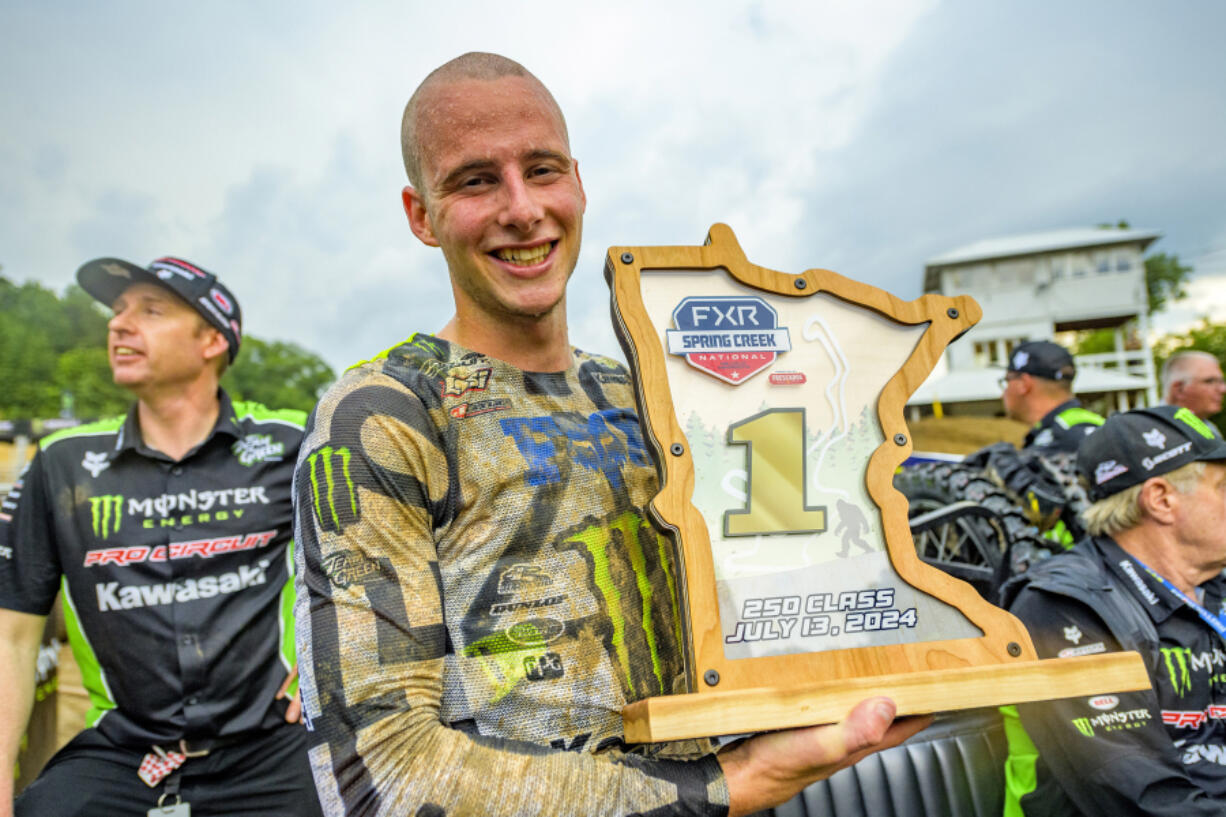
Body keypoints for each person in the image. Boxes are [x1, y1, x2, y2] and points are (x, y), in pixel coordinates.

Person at [292, 52, 927, 817]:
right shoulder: (386, 416)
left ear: (580, 182)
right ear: (420, 214)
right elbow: (382, 773)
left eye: (543, 169)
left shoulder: (655, 398)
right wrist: (732, 786)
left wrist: (881, 653)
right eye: (475, 179)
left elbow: (765, 607)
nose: (523, 209)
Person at [0, 256, 323, 816]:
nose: (118, 325)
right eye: (118, 311)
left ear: (212, 341)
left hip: (273, 748)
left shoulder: (293, 442)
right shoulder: (62, 463)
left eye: (150, 311)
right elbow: (12, 638)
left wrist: (330, 664)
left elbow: (384, 561)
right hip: (123, 755)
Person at [999, 404, 1226, 815]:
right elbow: (1138, 796)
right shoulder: (1065, 607)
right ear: (1160, 499)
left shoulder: (1213, 585)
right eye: (1224, 486)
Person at [999, 340, 1104, 453]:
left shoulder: (1065, 437)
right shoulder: (1071, 428)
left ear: (1024, 384)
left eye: (1007, 381)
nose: (1002, 395)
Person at [1161, 350, 1225, 436]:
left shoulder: (1208, 427)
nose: (1223, 389)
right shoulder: (1149, 433)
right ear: (1179, 389)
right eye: (1210, 381)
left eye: (1221, 381)